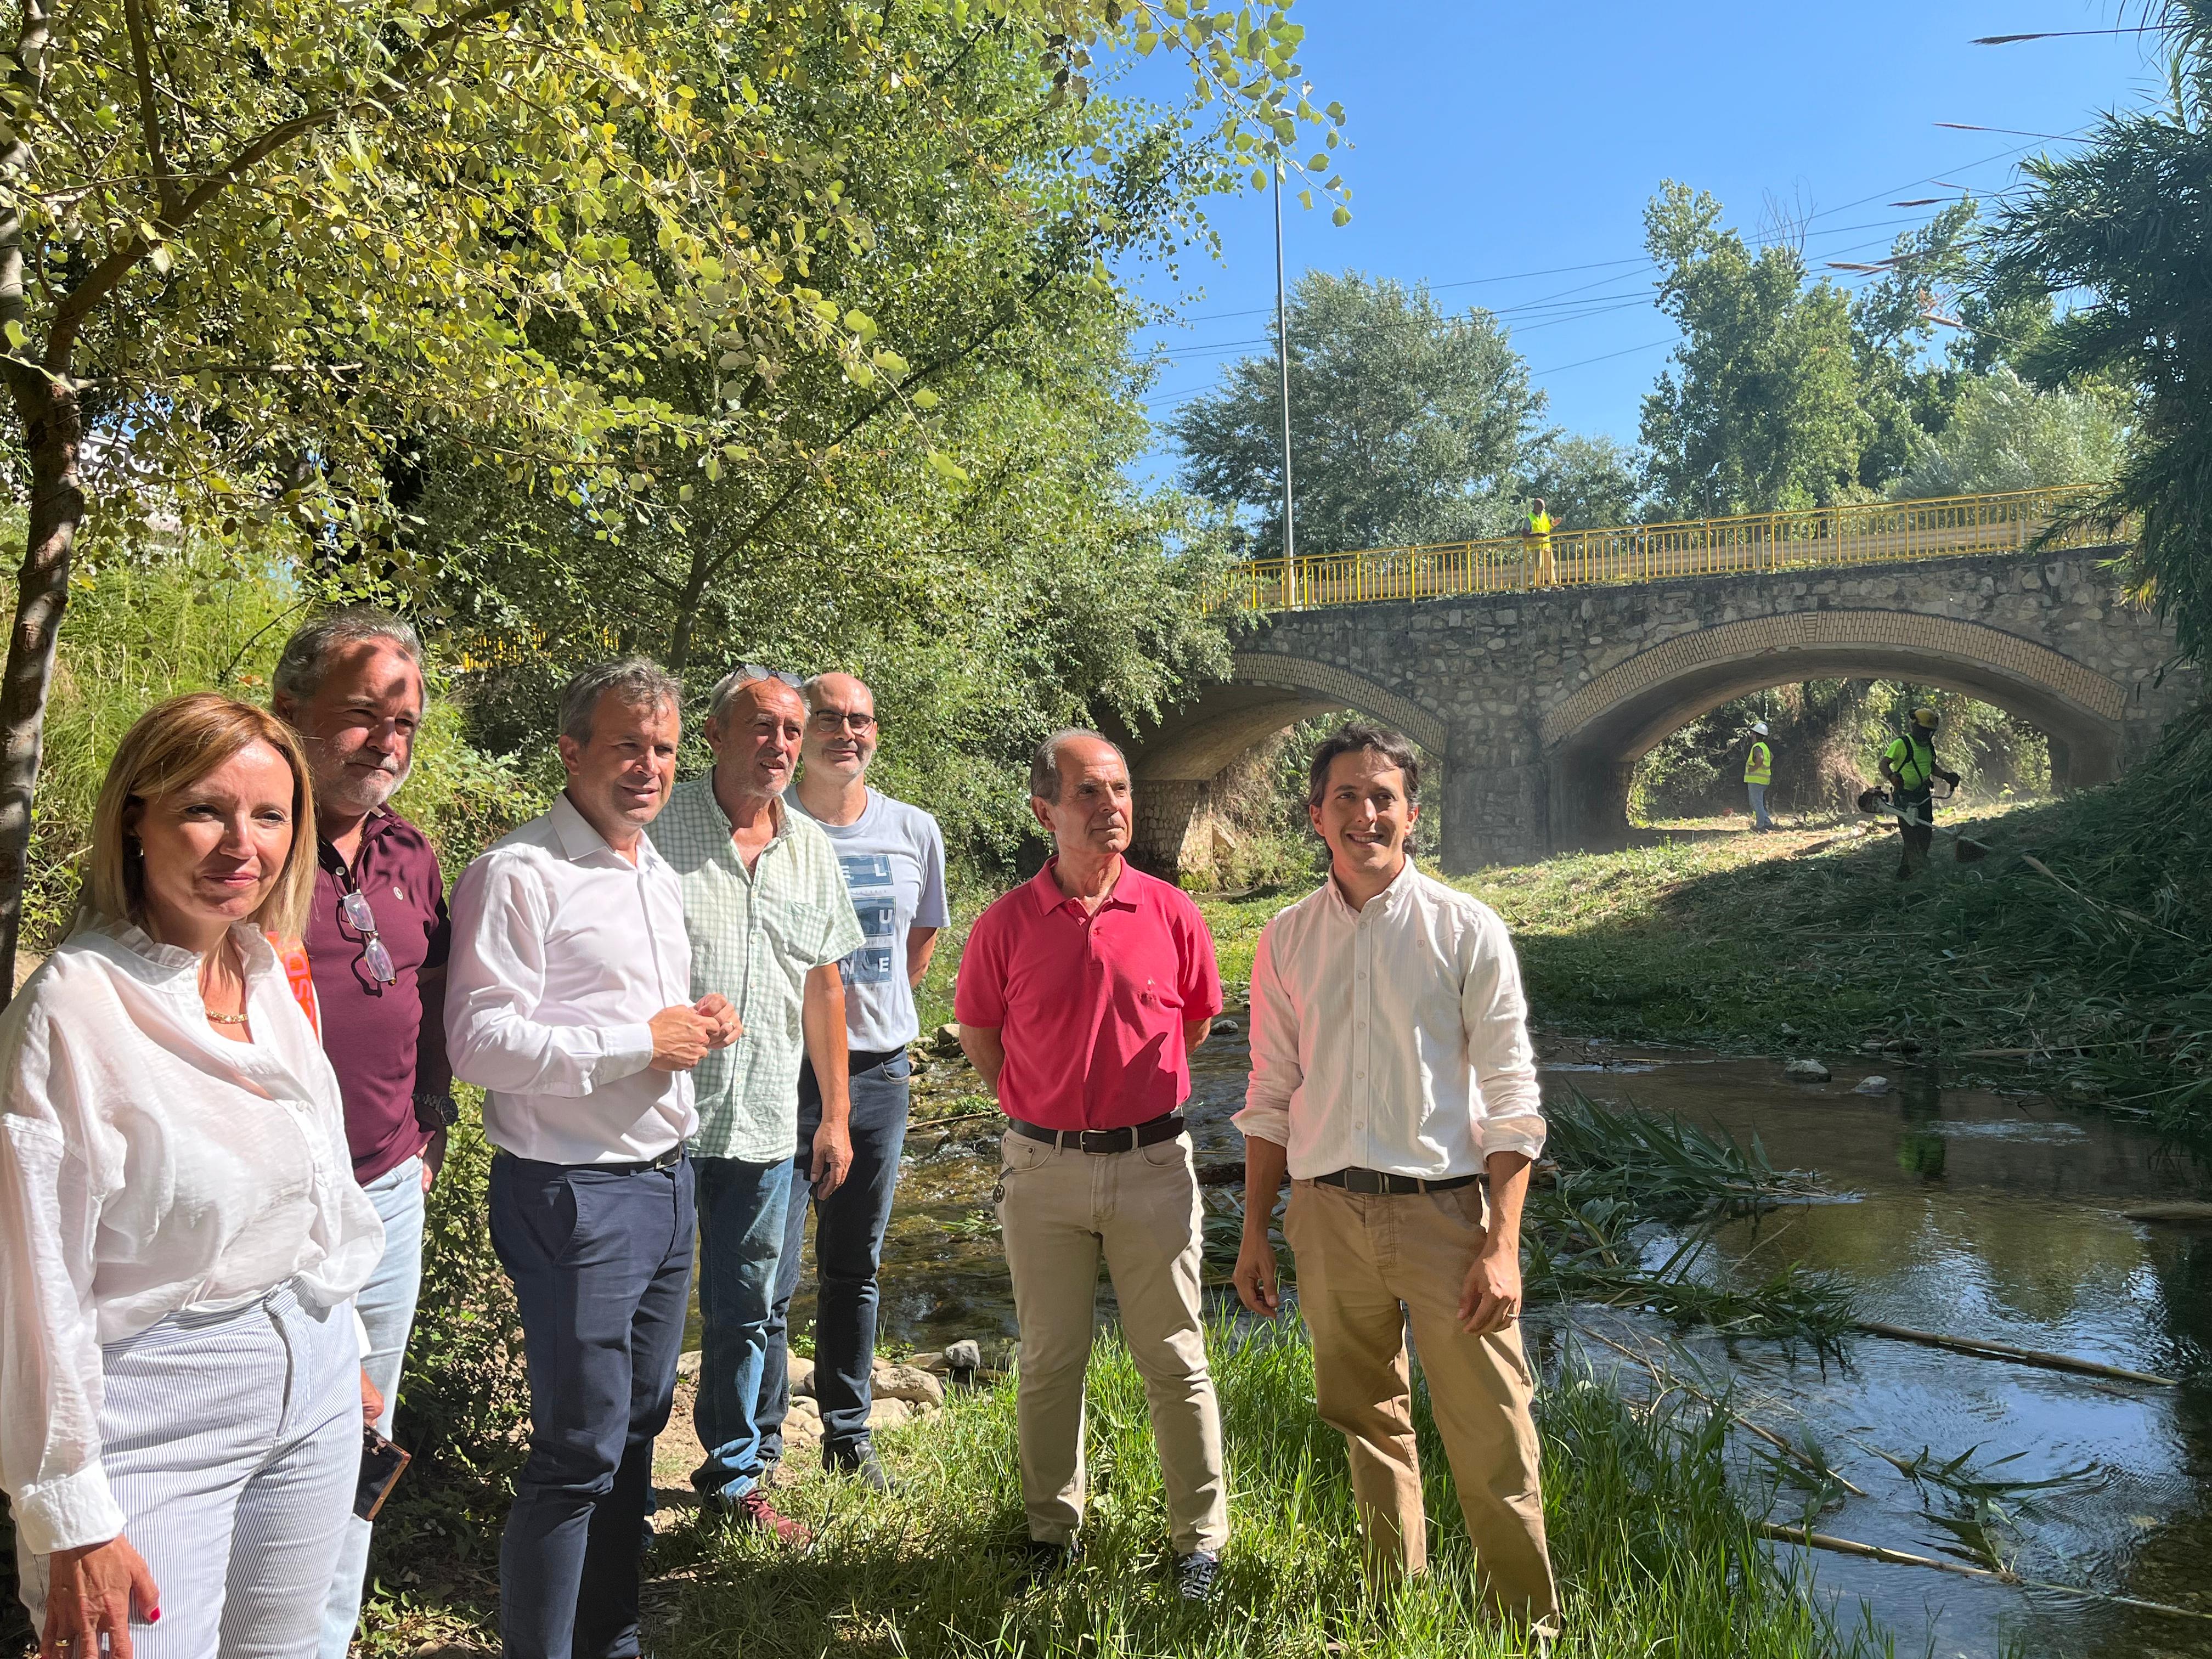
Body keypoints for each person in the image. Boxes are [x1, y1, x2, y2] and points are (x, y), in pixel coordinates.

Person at [0, 693, 386, 1659]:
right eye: (206, 809)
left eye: (270, 814)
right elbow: (31, 1280)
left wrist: (339, 1329)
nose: (241, 845)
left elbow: (315, 1177)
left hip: (314, 1381)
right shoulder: (74, 1007)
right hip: (150, 1407)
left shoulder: (261, 972)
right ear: (136, 815)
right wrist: (70, 1505)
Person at [1232, 723, 1559, 1631]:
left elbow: (1511, 1096)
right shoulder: (1285, 940)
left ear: (1412, 814)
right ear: (1315, 815)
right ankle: (1395, 1612)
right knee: (1367, 1424)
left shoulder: (1466, 928)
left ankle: (1522, 1629)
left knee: (1493, 1436)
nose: (1364, 813)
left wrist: (1501, 1243)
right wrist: (1257, 1228)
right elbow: (1269, 1091)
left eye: (1383, 796)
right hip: (1326, 1215)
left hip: (1447, 1215)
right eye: (1345, 796)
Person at [445, 660, 738, 1659]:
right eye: (627, 744)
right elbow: (478, 1043)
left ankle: (612, 1641)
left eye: (662, 747)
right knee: (576, 1450)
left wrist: (697, 1023)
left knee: (635, 1434)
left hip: (664, 1181)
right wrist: (639, 1041)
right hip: (573, 1194)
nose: (648, 765)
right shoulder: (518, 871)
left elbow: (634, 1017)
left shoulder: (651, 867)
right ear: (571, 751)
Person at [955, 730, 1229, 1602]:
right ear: (1045, 812)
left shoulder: (1172, 912)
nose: (1112, 806)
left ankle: (1200, 1544)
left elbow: (1193, 1027)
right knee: (1048, 1359)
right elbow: (981, 1036)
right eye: (1089, 793)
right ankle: (1050, 1532)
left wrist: (1123, 1111)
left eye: (1120, 791)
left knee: (1176, 1358)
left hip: (1154, 1165)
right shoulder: (1004, 924)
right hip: (1043, 1173)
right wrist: (1045, 1116)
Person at [271, 608, 456, 1659]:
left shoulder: (407, 851)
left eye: (405, 722)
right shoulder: (244, 835)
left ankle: (322, 1640)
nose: (386, 739)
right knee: (270, 1444)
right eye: (360, 714)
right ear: (289, 708)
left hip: (384, 1192)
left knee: (357, 1447)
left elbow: (430, 991)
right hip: (262, 1215)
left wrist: (431, 1126)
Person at [647, 667, 863, 1539]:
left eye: (789, 730)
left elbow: (825, 990)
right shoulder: (656, 826)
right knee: (644, 1307)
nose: (778, 744)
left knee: (749, 1308)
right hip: (653, 1120)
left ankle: (735, 1475)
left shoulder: (808, 845)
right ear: (714, 736)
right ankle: (616, 1473)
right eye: (760, 727)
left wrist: (837, 1115)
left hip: (769, 1118)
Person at [755, 673, 947, 1491]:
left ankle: (845, 1431)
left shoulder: (914, 829)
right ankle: (758, 1445)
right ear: (803, 733)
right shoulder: (766, 822)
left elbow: (921, 935)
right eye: (828, 718)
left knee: (854, 1264)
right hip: (774, 1071)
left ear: (877, 732)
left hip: (879, 1074)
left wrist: (871, 1021)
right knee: (765, 1266)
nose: (846, 730)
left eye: (861, 718)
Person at [1879, 706, 1960, 879]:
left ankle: (1904, 876)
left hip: (1923, 796)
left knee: (1925, 836)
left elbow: (1930, 766)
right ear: (1915, 727)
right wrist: (1892, 777)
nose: (1926, 736)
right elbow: (1883, 764)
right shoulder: (1902, 744)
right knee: (1911, 838)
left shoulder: (1928, 747)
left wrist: (1946, 776)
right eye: (1924, 731)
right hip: (1905, 797)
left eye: (1930, 733)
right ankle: (1920, 876)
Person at [1744, 720, 1774, 831]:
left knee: (1757, 804)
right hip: (1764, 780)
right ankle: (1767, 823)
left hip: (1756, 780)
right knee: (1757, 803)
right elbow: (1771, 757)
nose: (1751, 736)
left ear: (1756, 735)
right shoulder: (1764, 746)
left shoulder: (1757, 747)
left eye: (1752, 733)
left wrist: (1754, 768)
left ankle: (1760, 826)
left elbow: (1760, 759)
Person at [1522, 497, 1556, 587]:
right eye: (1541, 508)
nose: (1543, 510)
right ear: (1536, 507)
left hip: (1546, 545)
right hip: (1536, 546)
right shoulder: (1529, 519)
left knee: (1550, 565)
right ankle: (1538, 586)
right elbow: (1525, 534)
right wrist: (1538, 535)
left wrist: (1553, 525)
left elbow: (1547, 528)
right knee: (1538, 567)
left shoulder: (1543, 515)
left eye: (1543, 508)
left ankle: (1553, 584)